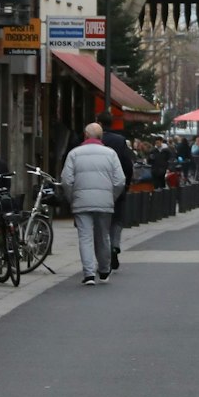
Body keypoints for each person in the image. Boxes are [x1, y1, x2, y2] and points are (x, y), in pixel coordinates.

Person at [61, 123, 126, 286]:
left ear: (85, 135)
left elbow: (66, 180)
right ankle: (104, 270)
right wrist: (111, 197)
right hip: (104, 202)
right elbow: (120, 180)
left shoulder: (74, 154)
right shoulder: (110, 154)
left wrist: (72, 198)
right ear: (101, 136)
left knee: (85, 237)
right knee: (103, 236)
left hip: (81, 201)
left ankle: (89, 274)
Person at [102, 122, 137, 269]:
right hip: (118, 184)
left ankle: (105, 250)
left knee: (103, 222)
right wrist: (127, 183)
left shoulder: (95, 142)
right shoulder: (120, 140)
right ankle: (114, 245)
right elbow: (128, 164)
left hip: (100, 186)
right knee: (117, 219)